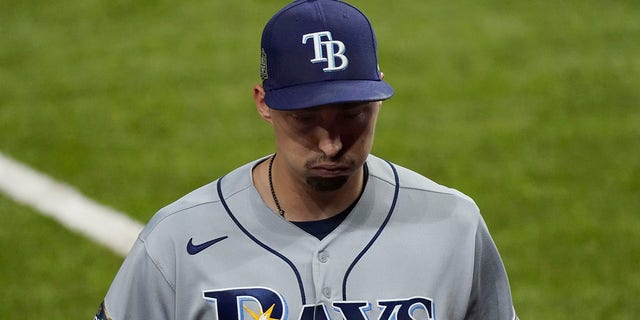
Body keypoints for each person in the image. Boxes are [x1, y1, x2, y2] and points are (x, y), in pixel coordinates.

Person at [95, 0, 518, 319]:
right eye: (306, 119)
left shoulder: (453, 224)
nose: (331, 144)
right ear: (263, 103)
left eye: (352, 115)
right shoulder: (177, 238)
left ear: (378, 95)